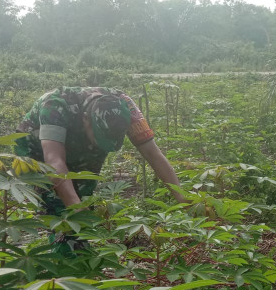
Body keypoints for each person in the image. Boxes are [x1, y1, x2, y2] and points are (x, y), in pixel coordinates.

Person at [15, 86, 185, 216]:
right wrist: (76, 208)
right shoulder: (55, 106)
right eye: (100, 139)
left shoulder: (126, 106)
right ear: (86, 119)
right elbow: (54, 161)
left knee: (84, 196)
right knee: (60, 204)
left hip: (80, 142)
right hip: (36, 146)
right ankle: (69, 248)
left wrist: (181, 197)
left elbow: (152, 153)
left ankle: (80, 239)